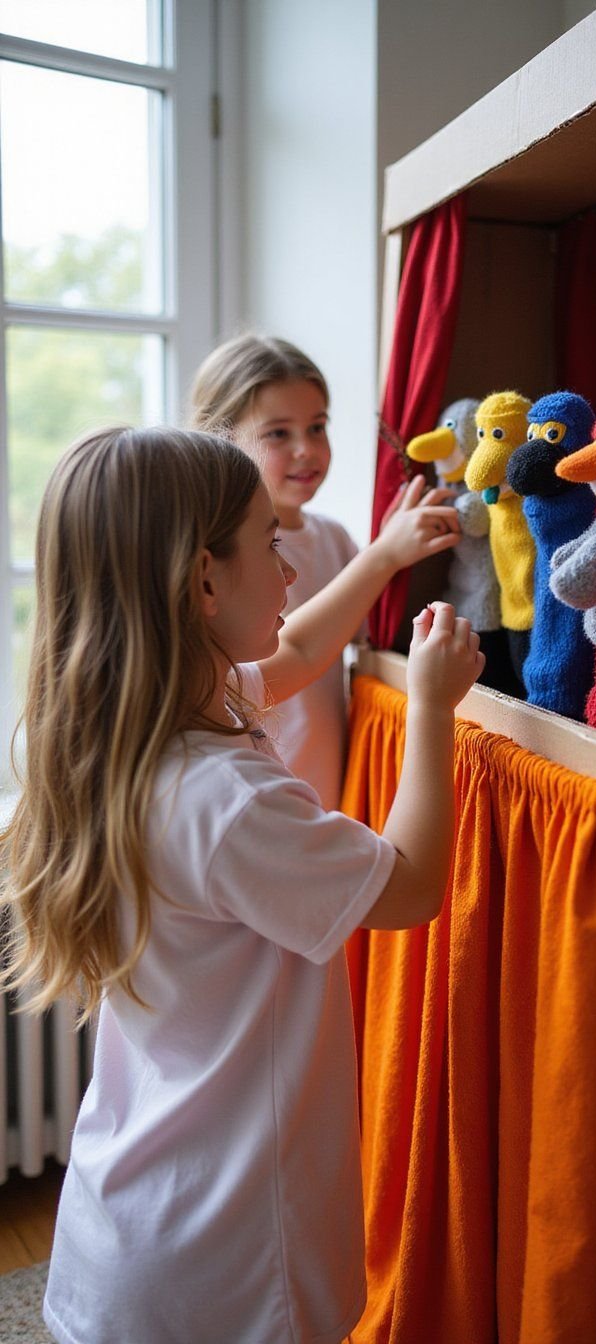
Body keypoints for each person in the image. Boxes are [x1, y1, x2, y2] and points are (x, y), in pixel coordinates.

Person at [0, 426, 484, 1344]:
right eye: (271, 543)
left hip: (128, 1224)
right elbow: (414, 888)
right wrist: (430, 709)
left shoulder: (132, 735)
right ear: (205, 583)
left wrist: (380, 559)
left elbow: (296, 655)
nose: (291, 570)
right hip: (226, 1254)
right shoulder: (224, 800)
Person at [190, 333, 455, 808]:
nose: (306, 450)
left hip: (328, 793)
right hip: (261, 796)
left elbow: (365, 633)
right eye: (278, 433)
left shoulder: (332, 538)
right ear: (223, 439)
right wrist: (382, 556)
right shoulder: (223, 558)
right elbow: (269, 676)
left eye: (317, 427)